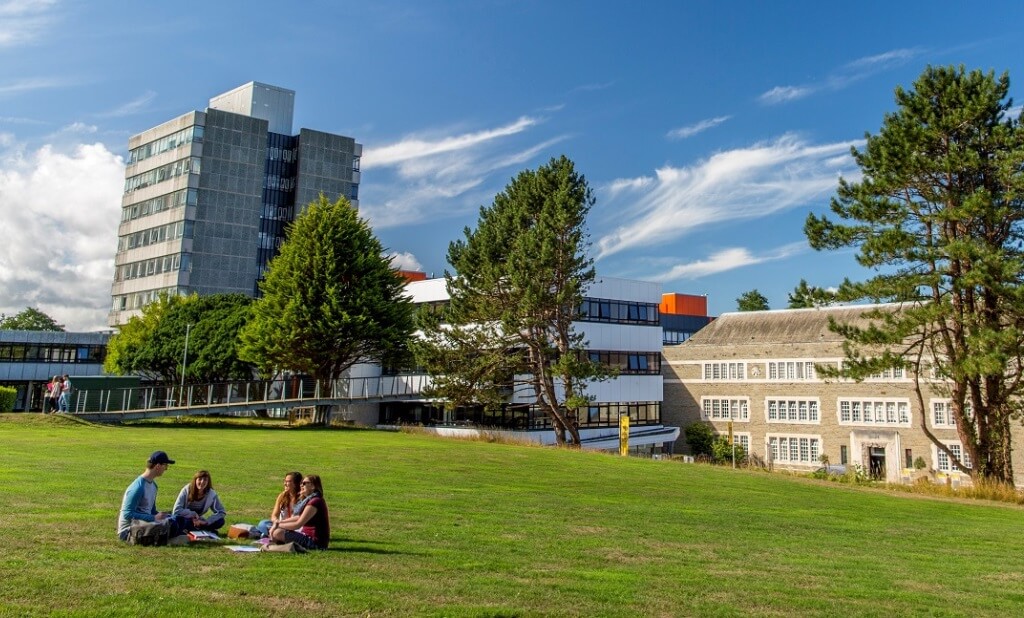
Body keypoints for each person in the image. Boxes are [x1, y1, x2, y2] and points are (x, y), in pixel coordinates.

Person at [117, 451, 190, 541]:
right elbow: (127, 514)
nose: (166, 468)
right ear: (158, 466)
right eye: (165, 465)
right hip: (129, 531)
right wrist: (153, 518)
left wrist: (163, 515)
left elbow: (151, 511)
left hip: (145, 523)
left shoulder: (153, 486)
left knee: (179, 519)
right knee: (173, 525)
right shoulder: (138, 487)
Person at [269, 474, 330, 550]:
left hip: (314, 542)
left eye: (304, 483)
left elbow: (298, 524)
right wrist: (279, 523)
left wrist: (278, 525)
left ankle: (285, 546)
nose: (301, 485)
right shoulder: (310, 500)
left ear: (313, 486)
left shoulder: (315, 502)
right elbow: (298, 517)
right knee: (274, 529)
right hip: (307, 536)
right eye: (301, 483)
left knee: (277, 532)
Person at [255, 471, 302, 538]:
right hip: (280, 525)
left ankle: (271, 534)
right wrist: (276, 521)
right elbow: (274, 515)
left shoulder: (302, 498)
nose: (285, 483)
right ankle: (275, 534)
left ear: (296, 484)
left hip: (294, 527)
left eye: (288, 481)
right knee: (263, 523)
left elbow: (299, 519)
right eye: (285, 481)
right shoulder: (282, 496)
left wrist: (281, 524)